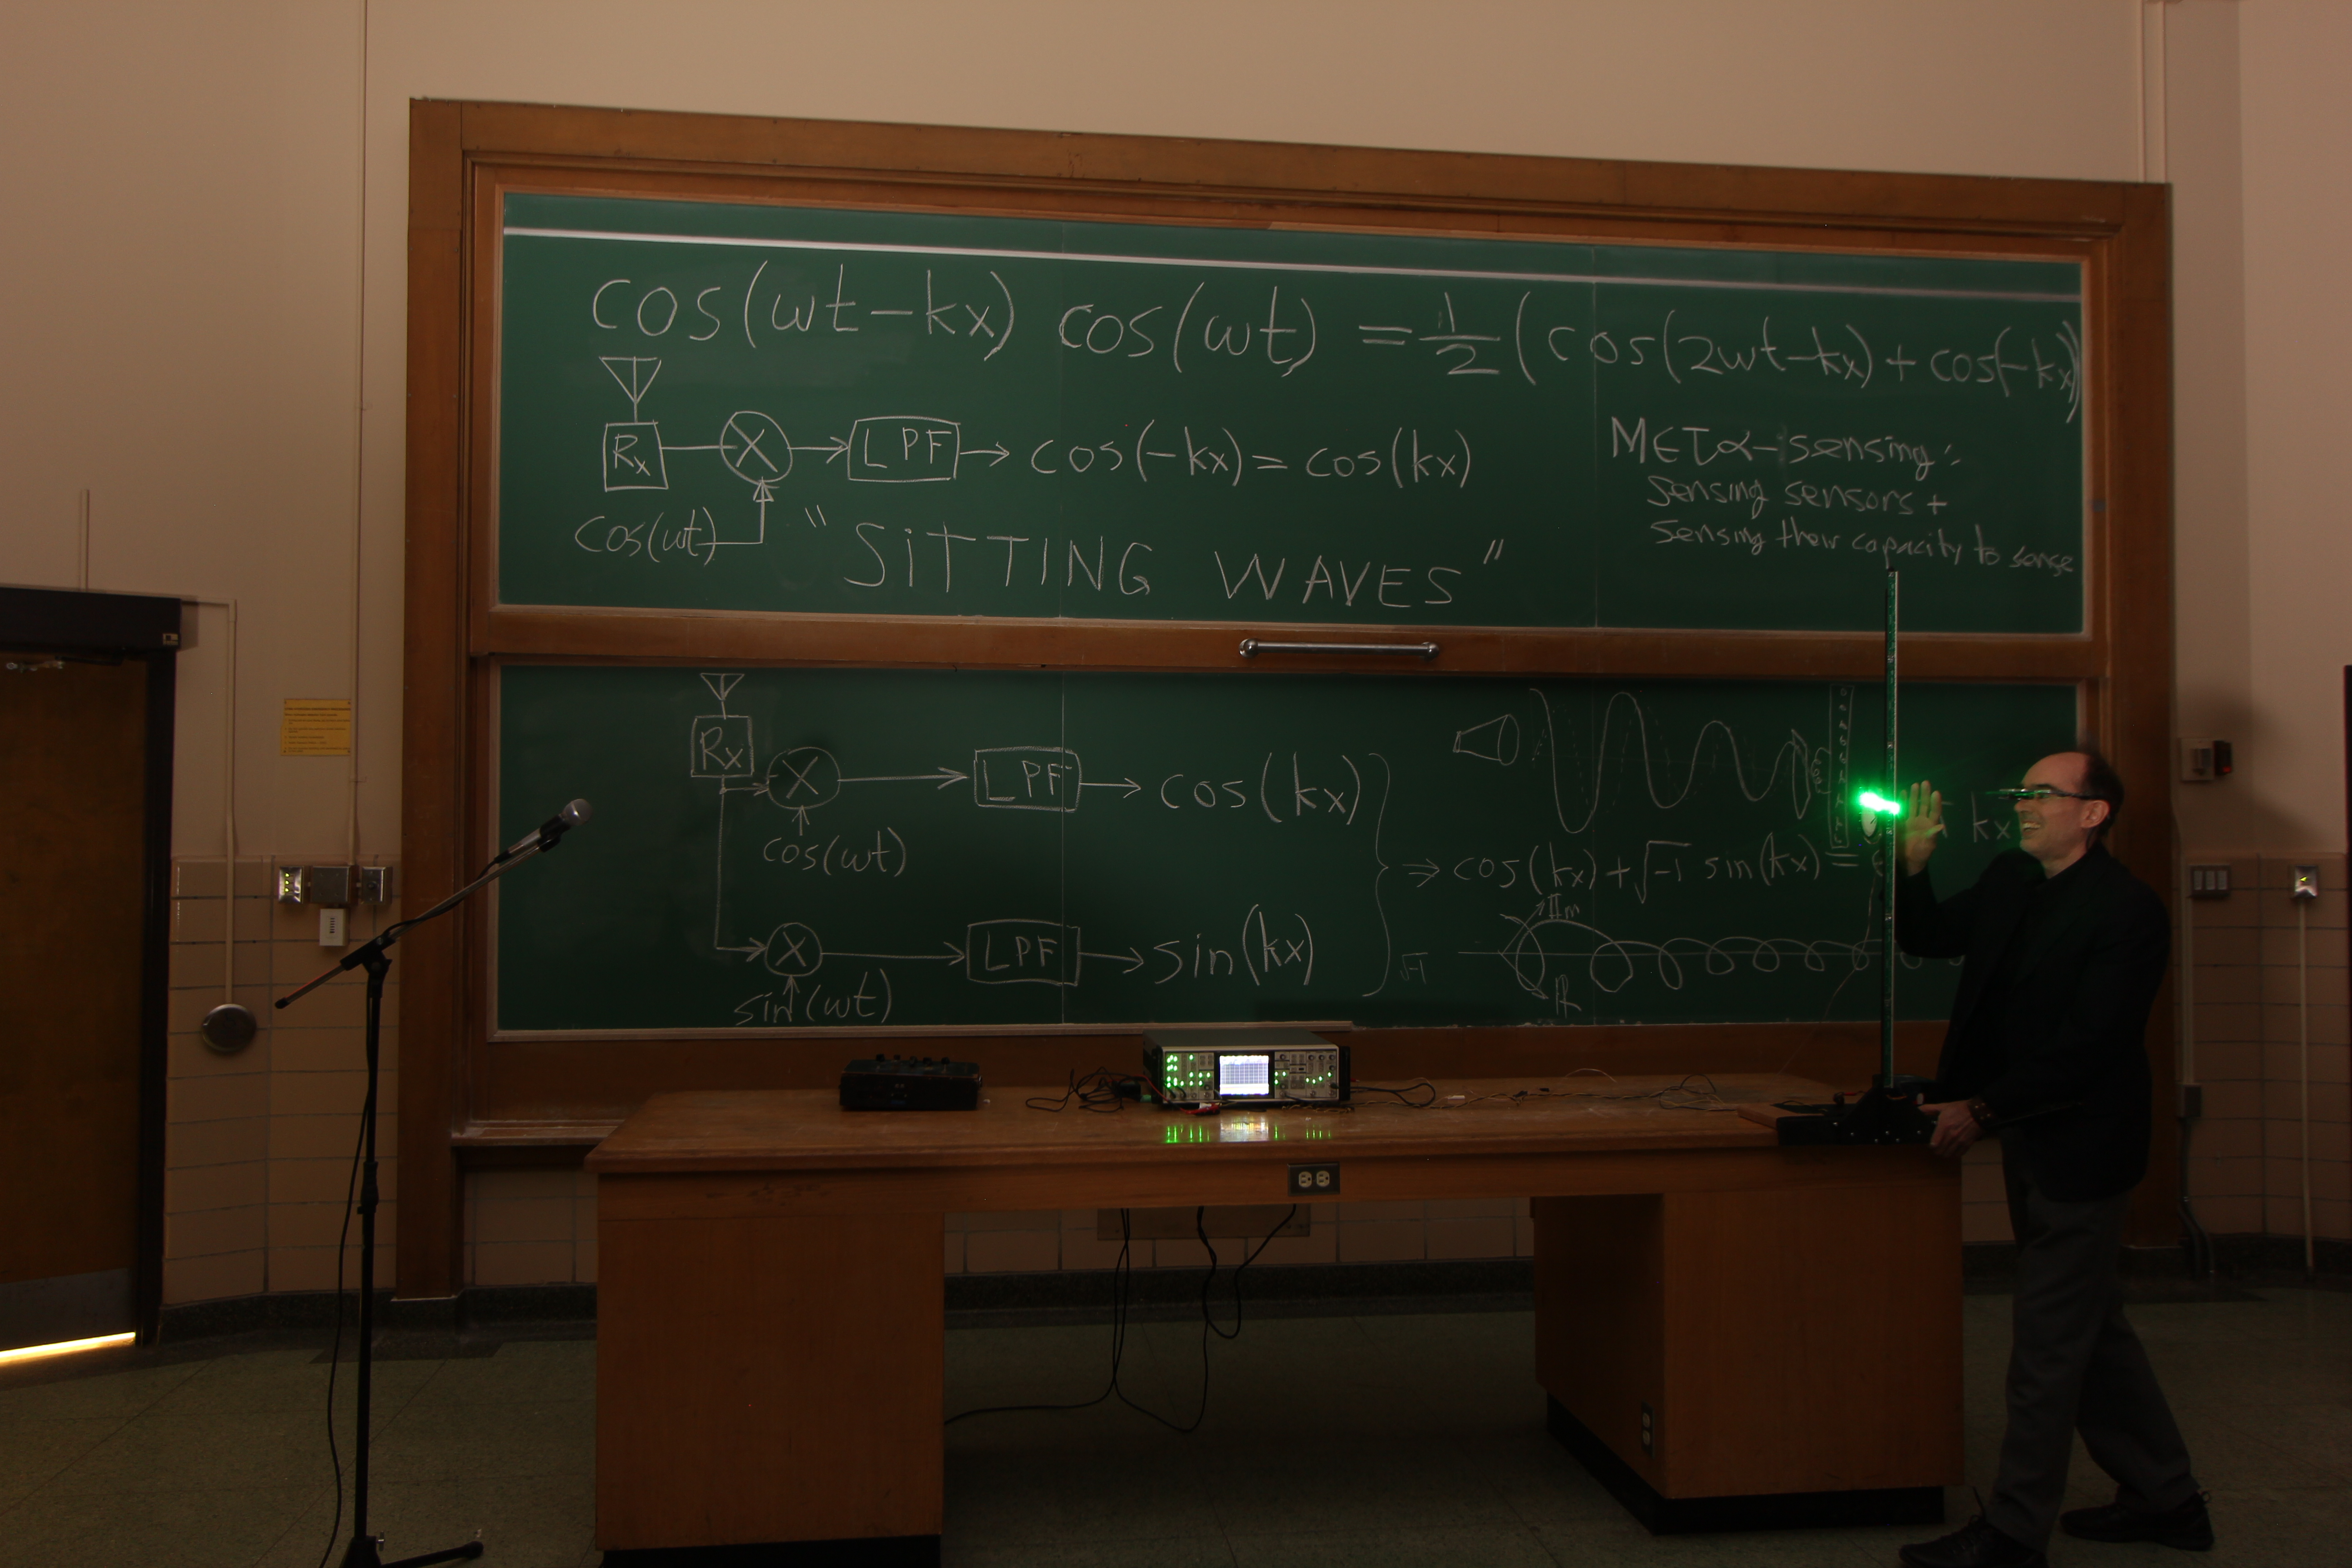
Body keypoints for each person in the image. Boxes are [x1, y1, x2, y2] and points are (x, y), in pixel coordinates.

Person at [1892, 749, 2209, 1568]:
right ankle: (2168, 1498)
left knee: (2047, 1344)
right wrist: (1914, 867)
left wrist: (1981, 1108)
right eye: (2020, 793)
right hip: (2028, 1131)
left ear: (2093, 813)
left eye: (2041, 794)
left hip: (2084, 1147)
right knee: (2090, 1326)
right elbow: (1928, 936)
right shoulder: (2012, 879)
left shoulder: (2126, 910)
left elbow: (2092, 1046)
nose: (2022, 806)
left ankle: (2013, 1533)